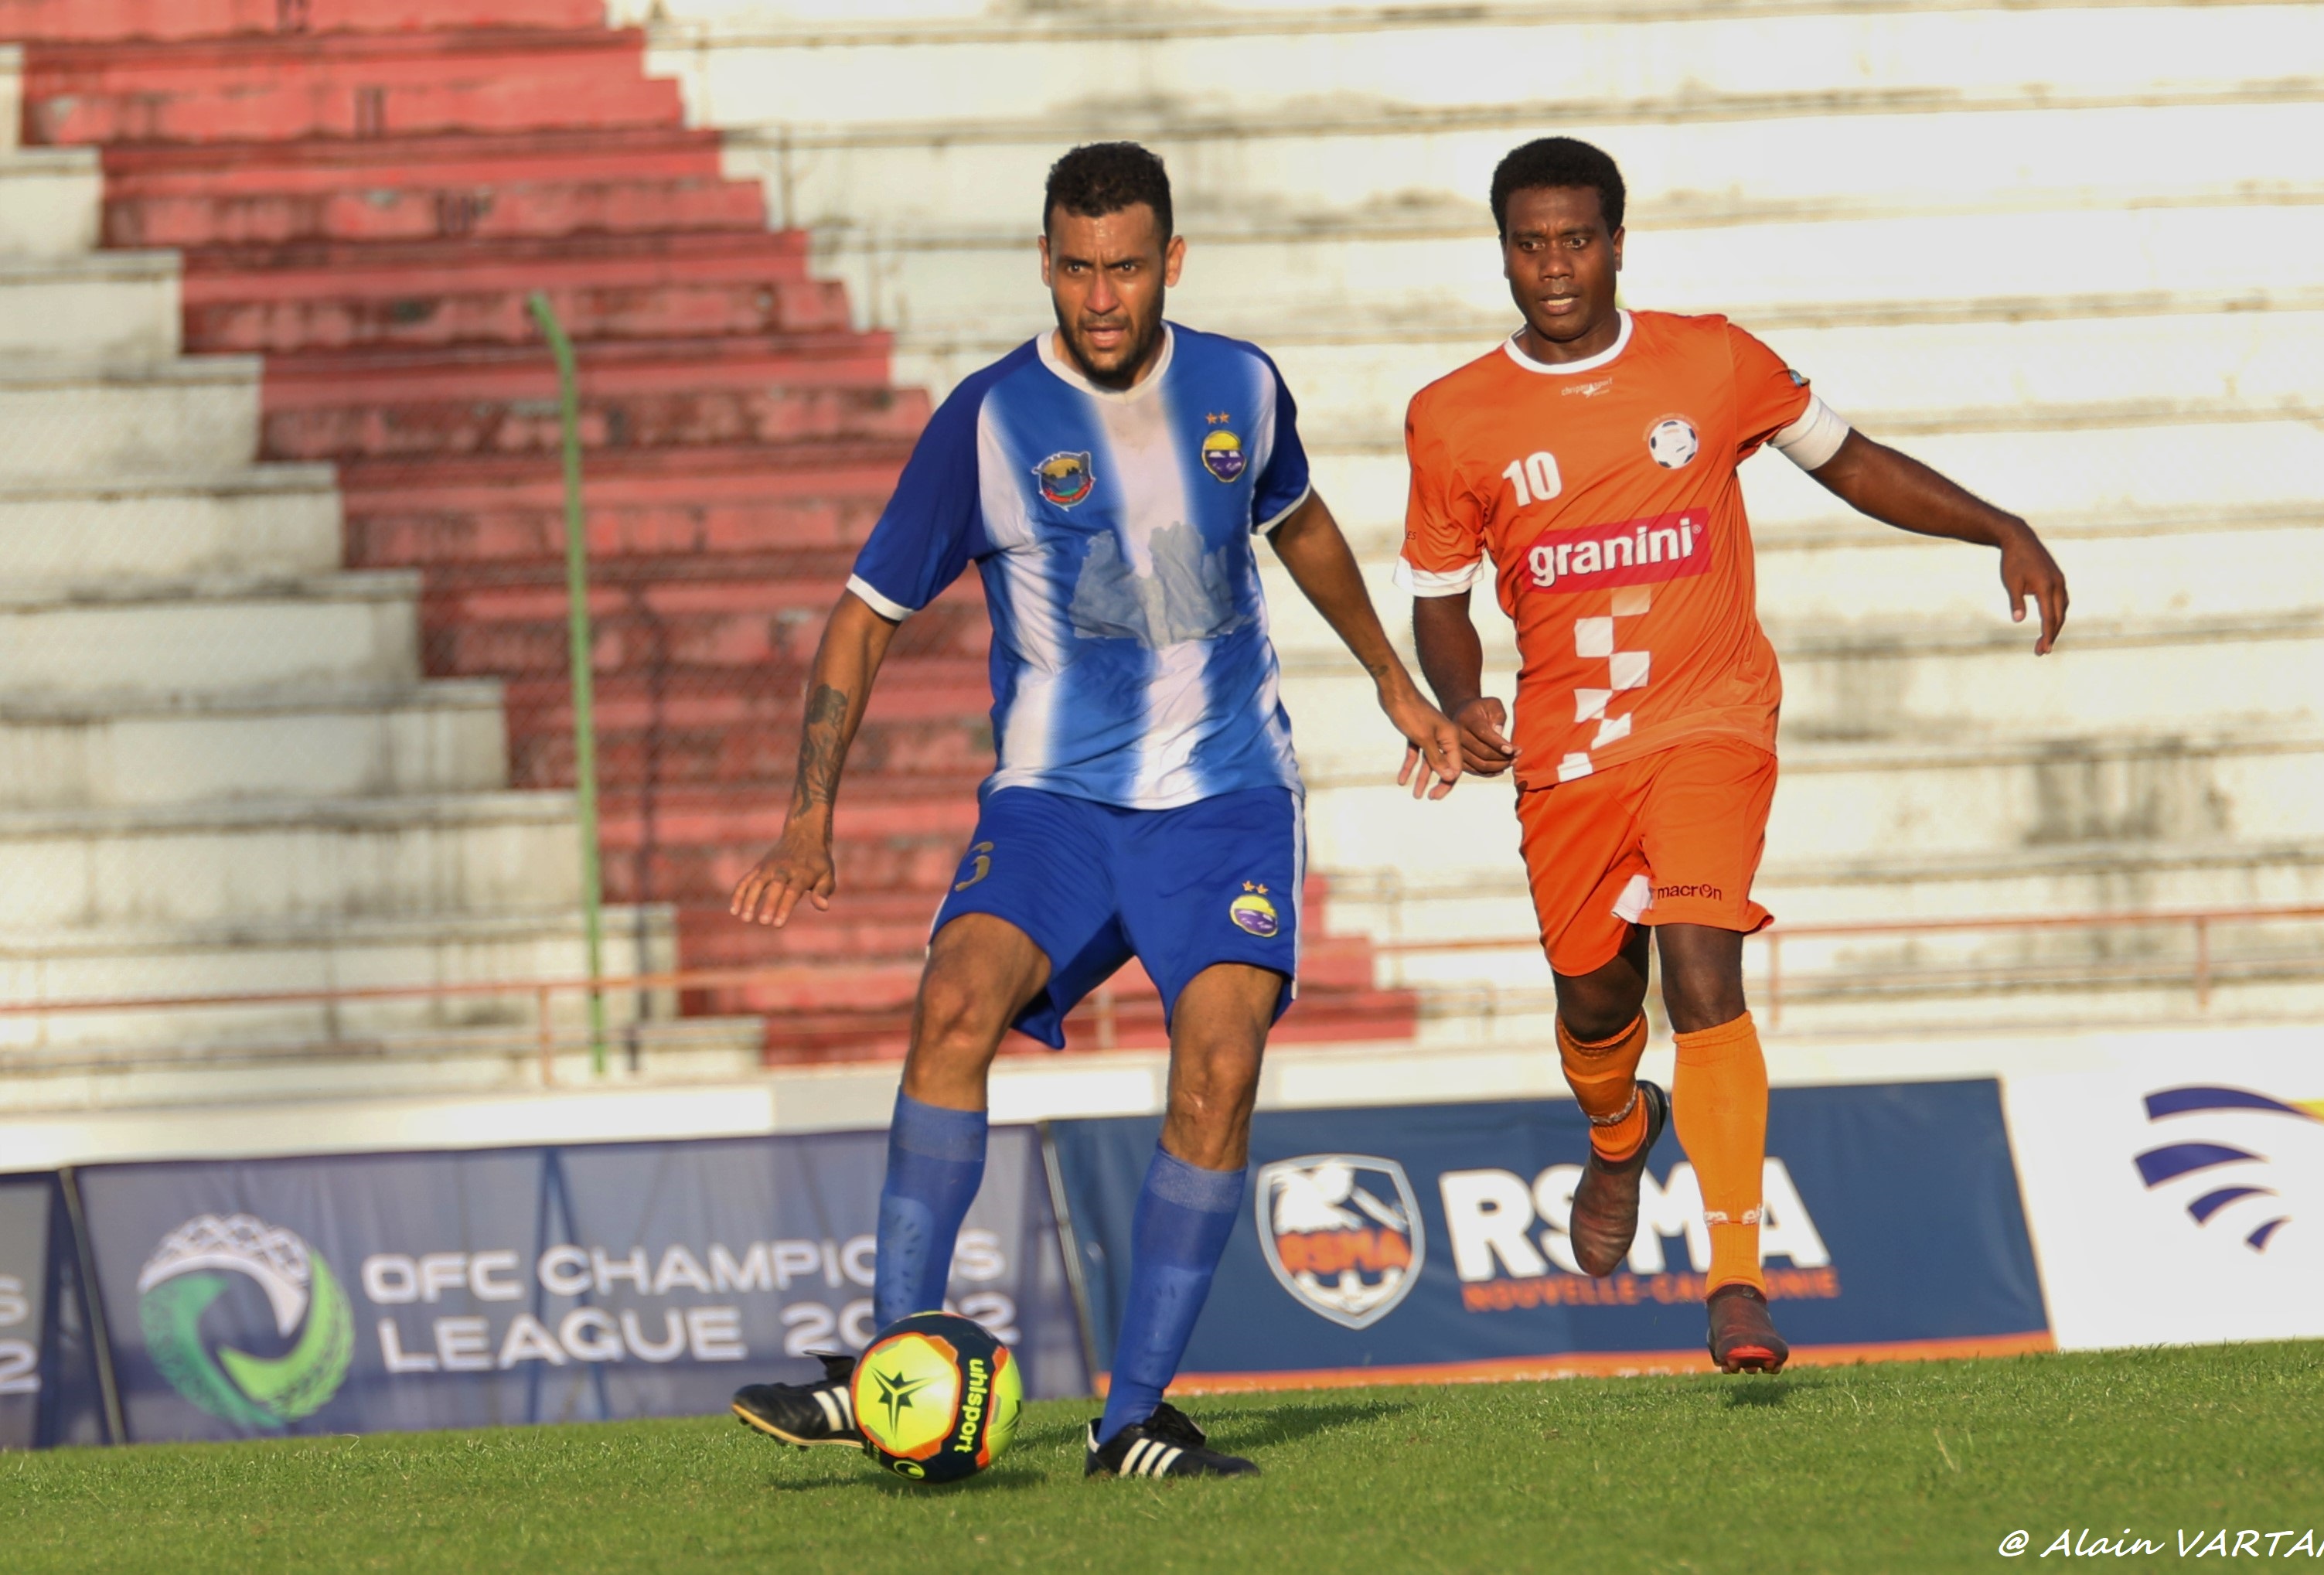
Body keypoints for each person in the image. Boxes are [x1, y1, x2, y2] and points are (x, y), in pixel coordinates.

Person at [724, 141, 1460, 1478]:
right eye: (1076, 268)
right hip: (1057, 802)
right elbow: (862, 617)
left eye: (1125, 267)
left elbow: (1295, 520)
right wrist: (806, 815)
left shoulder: (1242, 382)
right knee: (953, 1003)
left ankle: (1132, 1419)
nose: (1101, 296)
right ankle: (902, 1368)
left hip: (1226, 798)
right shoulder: (990, 420)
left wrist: (1395, 686)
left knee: (1220, 1065)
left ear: (1170, 262)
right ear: (1046, 263)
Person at [1400, 137, 2067, 1373]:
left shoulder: (1709, 360)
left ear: (1617, 240)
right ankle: (1617, 1130)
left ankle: (1735, 1280)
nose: (1555, 266)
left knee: (1704, 969)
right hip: (1570, 750)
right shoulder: (1451, 417)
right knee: (1598, 994)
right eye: (1530, 242)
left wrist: (1998, 524)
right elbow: (1440, 595)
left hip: (1712, 719)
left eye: (1578, 238)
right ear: (1503, 249)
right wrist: (1463, 695)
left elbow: (1849, 459)